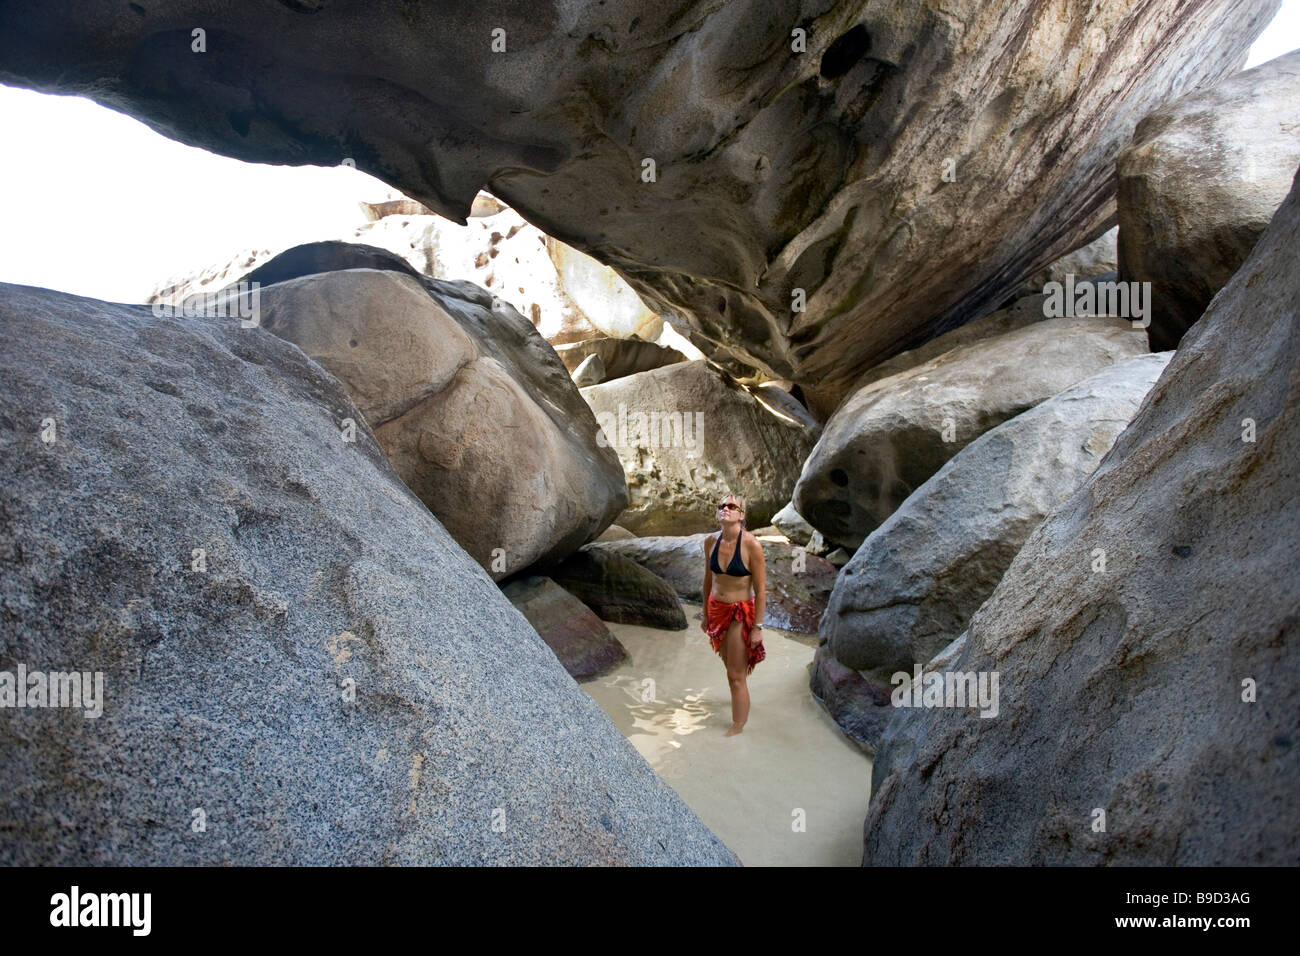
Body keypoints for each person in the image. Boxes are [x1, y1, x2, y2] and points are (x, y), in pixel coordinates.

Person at [701, 493, 766, 736]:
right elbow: (708, 580)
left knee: (735, 674)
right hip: (717, 610)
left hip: (740, 613)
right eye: (722, 505)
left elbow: (760, 590)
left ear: (742, 515)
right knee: (729, 665)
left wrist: (758, 627)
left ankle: (738, 726)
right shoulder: (710, 542)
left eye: (732, 506)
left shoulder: (751, 545)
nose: (725, 509)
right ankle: (740, 700)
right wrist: (705, 614)